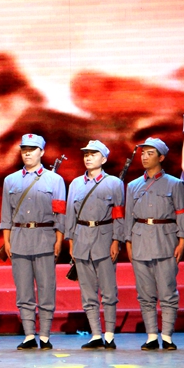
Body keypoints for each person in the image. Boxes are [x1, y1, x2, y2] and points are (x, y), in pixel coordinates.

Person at [0, 133, 66, 350]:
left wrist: (59, 240)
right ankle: (29, 335)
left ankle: (45, 335)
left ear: (42, 152)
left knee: (46, 288)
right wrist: (7, 241)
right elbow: (6, 215)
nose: (27, 153)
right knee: (23, 290)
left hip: (45, 237)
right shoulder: (10, 180)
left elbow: (60, 214)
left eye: (32, 149)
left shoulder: (55, 180)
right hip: (19, 238)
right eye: (24, 149)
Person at [125, 137, 184, 351]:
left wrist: (182, 241)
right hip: (140, 240)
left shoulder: (175, 184)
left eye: (150, 153)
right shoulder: (132, 186)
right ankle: (151, 336)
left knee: (168, 291)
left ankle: (167, 336)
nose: (144, 157)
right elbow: (128, 218)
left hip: (166, 241)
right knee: (145, 293)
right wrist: (128, 242)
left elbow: (181, 214)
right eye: (143, 153)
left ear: (161, 158)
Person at [65, 140, 124, 349]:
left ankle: (109, 335)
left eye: (93, 154)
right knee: (87, 292)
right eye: (86, 154)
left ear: (104, 159)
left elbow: (119, 214)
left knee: (109, 291)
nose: (88, 157)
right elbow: (70, 215)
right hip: (81, 239)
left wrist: (116, 240)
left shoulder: (114, 183)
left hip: (104, 238)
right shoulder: (75, 184)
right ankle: (96, 334)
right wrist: (70, 241)